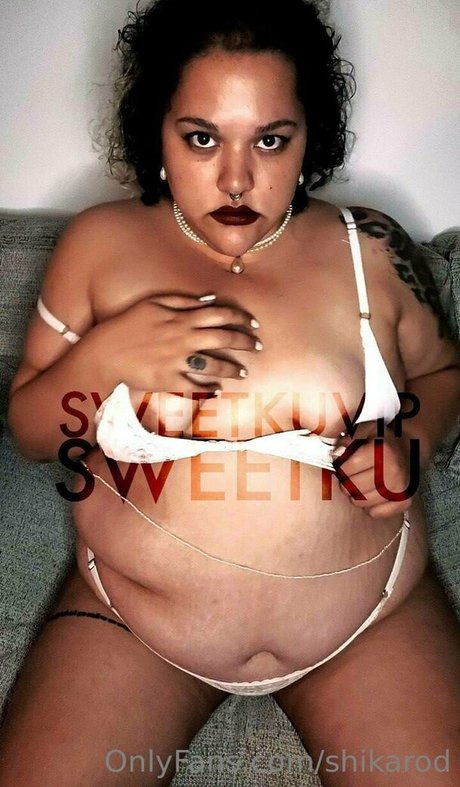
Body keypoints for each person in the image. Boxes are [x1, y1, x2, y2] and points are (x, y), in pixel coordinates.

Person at [1, 0, 459, 784]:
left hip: (369, 617)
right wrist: (104, 358)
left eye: (271, 139)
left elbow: (445, 373)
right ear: (158, 131)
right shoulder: (99, 245)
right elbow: (32, 428)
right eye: (202, 137)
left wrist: (409, 441)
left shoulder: (372, 249)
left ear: (310, 136)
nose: (238, 178)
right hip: (134, 621)